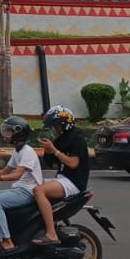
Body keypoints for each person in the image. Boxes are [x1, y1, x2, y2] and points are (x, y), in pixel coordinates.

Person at [0, 115, 43, 253]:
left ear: (18, 133)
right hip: (19, 190)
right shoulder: (18, 150)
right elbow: (6, 170)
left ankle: (7, 241)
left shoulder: (27, 152)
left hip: (28, 192)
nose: (6, 134)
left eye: (9, 131)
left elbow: (16, 174)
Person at [30, 106, 90, 247]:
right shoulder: (60, 139)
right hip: (62, 178)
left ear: (64, 124)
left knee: (39, 191)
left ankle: (51, 233)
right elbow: (51, 164)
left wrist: (55, 151)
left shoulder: (77, 137)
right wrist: (48, 150)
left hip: (74, 182)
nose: (54, 129)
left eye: (55, 126)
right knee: (31, 187)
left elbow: (73, 163)